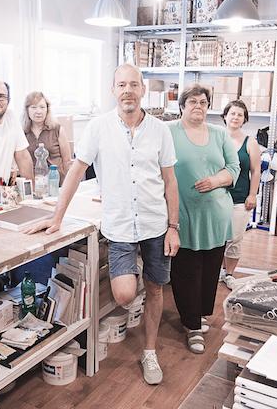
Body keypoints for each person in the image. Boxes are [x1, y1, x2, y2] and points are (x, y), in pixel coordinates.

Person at [28, 63, 180, 386]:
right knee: (124, 294)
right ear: (113, 90)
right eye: (121, 85)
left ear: (142, 89)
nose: (128, 91)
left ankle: (149, 351)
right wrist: (56, 217)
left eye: (133, 84)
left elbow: (170, 181)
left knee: (155, 288)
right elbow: (75, 171)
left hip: (155, 223)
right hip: (120, 226)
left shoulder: (160, 131)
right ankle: (135, 271)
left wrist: (174, 227)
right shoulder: (98, 128)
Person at [168, 84, 239, 354]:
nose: (198, 106)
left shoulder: (219, 134)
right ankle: (191, 324)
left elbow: (234, 167)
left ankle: (199, 314)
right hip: (183, 213)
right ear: (182, 106)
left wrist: (215, 181)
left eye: (203, 102)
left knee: (210, 269)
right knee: (186, 269)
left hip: (216, 214)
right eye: (192, 102)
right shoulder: (168, 132)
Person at [220, 100, 261, 290]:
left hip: (240, 198)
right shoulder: (217, 138)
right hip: (217, 197)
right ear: (225, 116)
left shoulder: (250, 142)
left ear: (244, 119)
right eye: (232, 113)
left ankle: (229, 274)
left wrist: (252, 195)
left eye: (240, 115)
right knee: (217, 237)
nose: (235, 117)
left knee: (234, 239)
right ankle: (217, 271)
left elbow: (256, 171)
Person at [22, 91, 73, 183]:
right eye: (34, 107)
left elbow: (67, 161)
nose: (38, 111)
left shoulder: (57, 129)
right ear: (27, 110)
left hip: (56, 181)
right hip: (33, 182)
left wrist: (67, 185)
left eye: (42, 107)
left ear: (47, 110)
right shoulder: (22, 133)